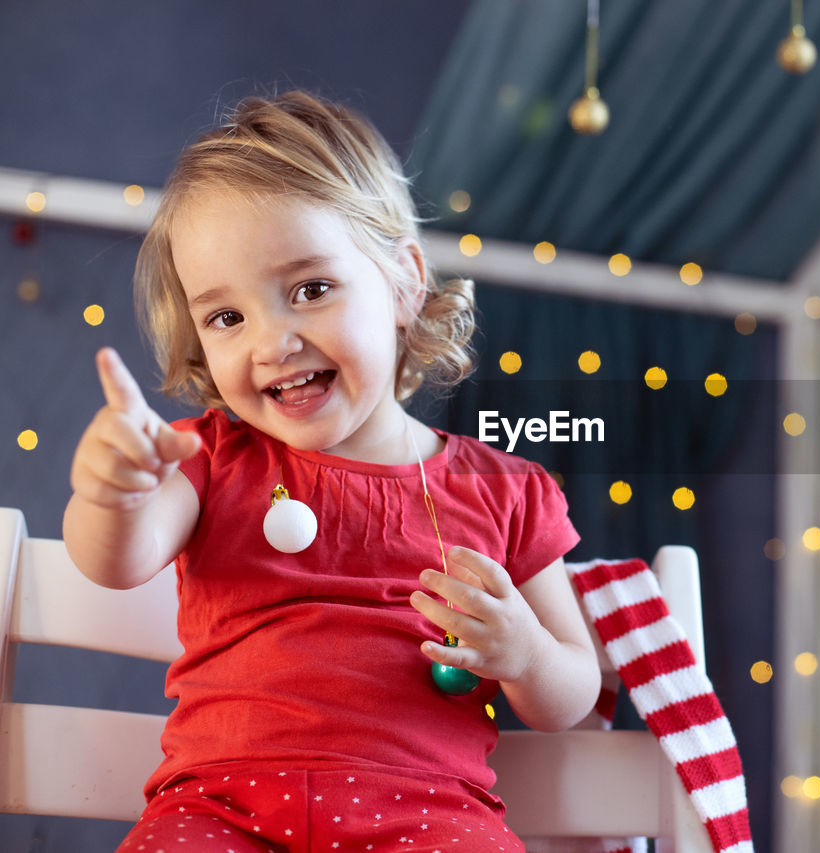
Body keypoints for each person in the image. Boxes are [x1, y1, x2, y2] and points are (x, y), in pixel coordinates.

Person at [63, 90, 601, 853]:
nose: (272, 342)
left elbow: (574, 692)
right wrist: (110, 493)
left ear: (405, 285)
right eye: (226, 316)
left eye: (310, 290)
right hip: (219, 810)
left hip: (428, 818)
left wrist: (526, 653)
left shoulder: (504, 490)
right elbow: (116, 560)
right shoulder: (207, 458)